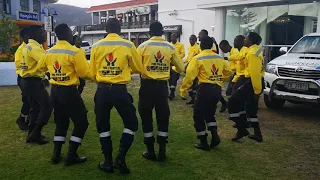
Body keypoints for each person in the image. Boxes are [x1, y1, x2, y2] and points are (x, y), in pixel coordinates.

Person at [90, 18, 143, 174]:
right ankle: (120, 157)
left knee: (103, 126)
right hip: (120, 90)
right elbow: (138, 68)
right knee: (131, 123)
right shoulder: (128, 45)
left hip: (102, 90)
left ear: (106, 30)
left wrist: (104, 77)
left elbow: (92, 72)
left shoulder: (96, 46)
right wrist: (123, 72)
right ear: (120, 30)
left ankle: (107, 162)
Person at [37, 24, 90, 166]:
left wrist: (54, 74)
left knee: (61, 123)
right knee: (82, 123)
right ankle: (71, 155)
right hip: (69, 92)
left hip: (55, 91)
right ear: (67, 34)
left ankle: (56, 154)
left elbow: (40, 67)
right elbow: (84, 73)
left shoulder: (49, 52)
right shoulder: (74, 51)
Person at [137, 21, 184, 161]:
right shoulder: (170, 47)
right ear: (162, 32)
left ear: (150, 32)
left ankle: (150, 150)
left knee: (146, 117)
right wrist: (166, 67)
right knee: (163, 117)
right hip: (162, 87)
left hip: (146, 87)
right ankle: (162, 150)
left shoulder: (142, 47)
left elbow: (135, 67)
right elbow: (181, 68)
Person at [180, 36, 231, 150]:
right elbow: (228, 72)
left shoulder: (198, 58)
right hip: (217, 89)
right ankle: (214, 136)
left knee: (198, 115)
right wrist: (219, 80)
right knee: (210, 113)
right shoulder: (219, 58)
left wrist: (183, 90)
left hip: (204, 89)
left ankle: (203, 141)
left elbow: (189, 76)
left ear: (201, 45)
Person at [228, 32, 264, 142]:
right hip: (252, 80)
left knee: (232, 101)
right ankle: (258, 134)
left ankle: (242, 128)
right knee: (250, 108)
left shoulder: (252, 54)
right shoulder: (254, 49)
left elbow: (254, 73)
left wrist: (257, 91)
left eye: (246, 38)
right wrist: (229, 57)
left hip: (251, 81)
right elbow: (240, 56)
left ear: (250, 41)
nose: (244, 40)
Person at [20, 25, 53, 145]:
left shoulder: (28, 46)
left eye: (44, 31)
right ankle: (35, 133)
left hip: (27, 81)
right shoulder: (34, 48)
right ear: (32, 35)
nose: (45, 34)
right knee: (48, 106)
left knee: (35, 108)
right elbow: (46, 62)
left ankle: (31, 133)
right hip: (33, 81)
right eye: (41, 32)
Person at [198, 29, 227, 112]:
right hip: (204, 67)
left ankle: (223, 102)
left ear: (204, 35)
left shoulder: (211, 44)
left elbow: (211, 56)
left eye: (200, 35)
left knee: (210, 87)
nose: (198, 36)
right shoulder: (202, 44)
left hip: (210, 67)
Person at [15, 27, 30, 131]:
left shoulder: (30, 47)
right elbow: (20, 65)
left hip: (29, 78)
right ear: (24, 37)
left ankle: (27, 118)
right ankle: (21, 119)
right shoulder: (21, 49)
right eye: (29, 35)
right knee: (27, 100)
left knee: (31, 100)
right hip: (24, 78)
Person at [183, 35, 201, 105]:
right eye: (190, 39)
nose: (191, 41)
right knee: (190, 84)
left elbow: (198, 58)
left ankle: (196, 101)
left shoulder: (198, 47)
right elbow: (189, 57)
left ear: (195, 40)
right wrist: (184, 62)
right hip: (189, 67)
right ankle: (192, 99)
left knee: (195, 85)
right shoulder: (189, 47)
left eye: (192, 40)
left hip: (195, 68)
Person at [168, 33, 185, 100]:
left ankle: (172, 93)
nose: (173, 38)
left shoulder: (181, 45)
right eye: (172, 37)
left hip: (176, 64)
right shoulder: (169, 44)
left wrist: (176, 59)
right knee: (170, 79)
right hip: (170, 64)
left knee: (174, 78)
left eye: (174, 37)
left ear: (177, 37)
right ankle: (172, 92)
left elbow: (183, 54)